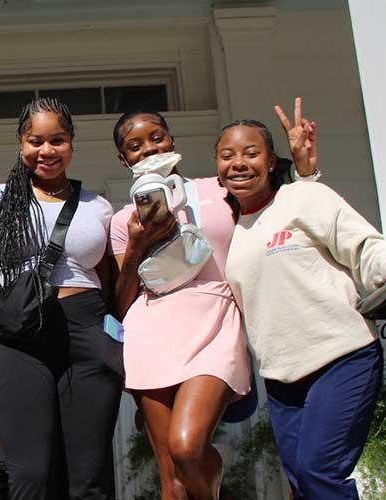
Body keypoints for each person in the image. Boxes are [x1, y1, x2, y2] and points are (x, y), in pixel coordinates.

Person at [109, 102, 321, 500]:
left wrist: (303, 169)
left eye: (157, 137)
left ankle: (211, 466)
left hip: (215, 319)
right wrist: (138, 244)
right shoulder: (124, 222)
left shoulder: (219, 190)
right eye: (135, 146)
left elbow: (284, 207)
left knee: (188, 448)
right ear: (124, 159)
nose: (150, 149)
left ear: (172, 140)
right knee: (172, 483)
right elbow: (122, 304)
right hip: (150, 331)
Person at [218, 119, 386, 499]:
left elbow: (358, 241)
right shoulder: (238, 232)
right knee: (303, 487)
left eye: (250, 153)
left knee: (318, 473)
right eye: (227, 155)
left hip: (340, 356)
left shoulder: (302, 198)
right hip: (281, 379)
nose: (238, 163)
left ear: (272, 161)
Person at [0, 97, 122, 499]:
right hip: (20, 335)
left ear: (72, 143)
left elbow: (113, 280)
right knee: (30, 475)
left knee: (88, 479)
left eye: (57, 140)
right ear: (20, 143)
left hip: (87, 327)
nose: (46, 151)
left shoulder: (98, 205)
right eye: (36, 141)